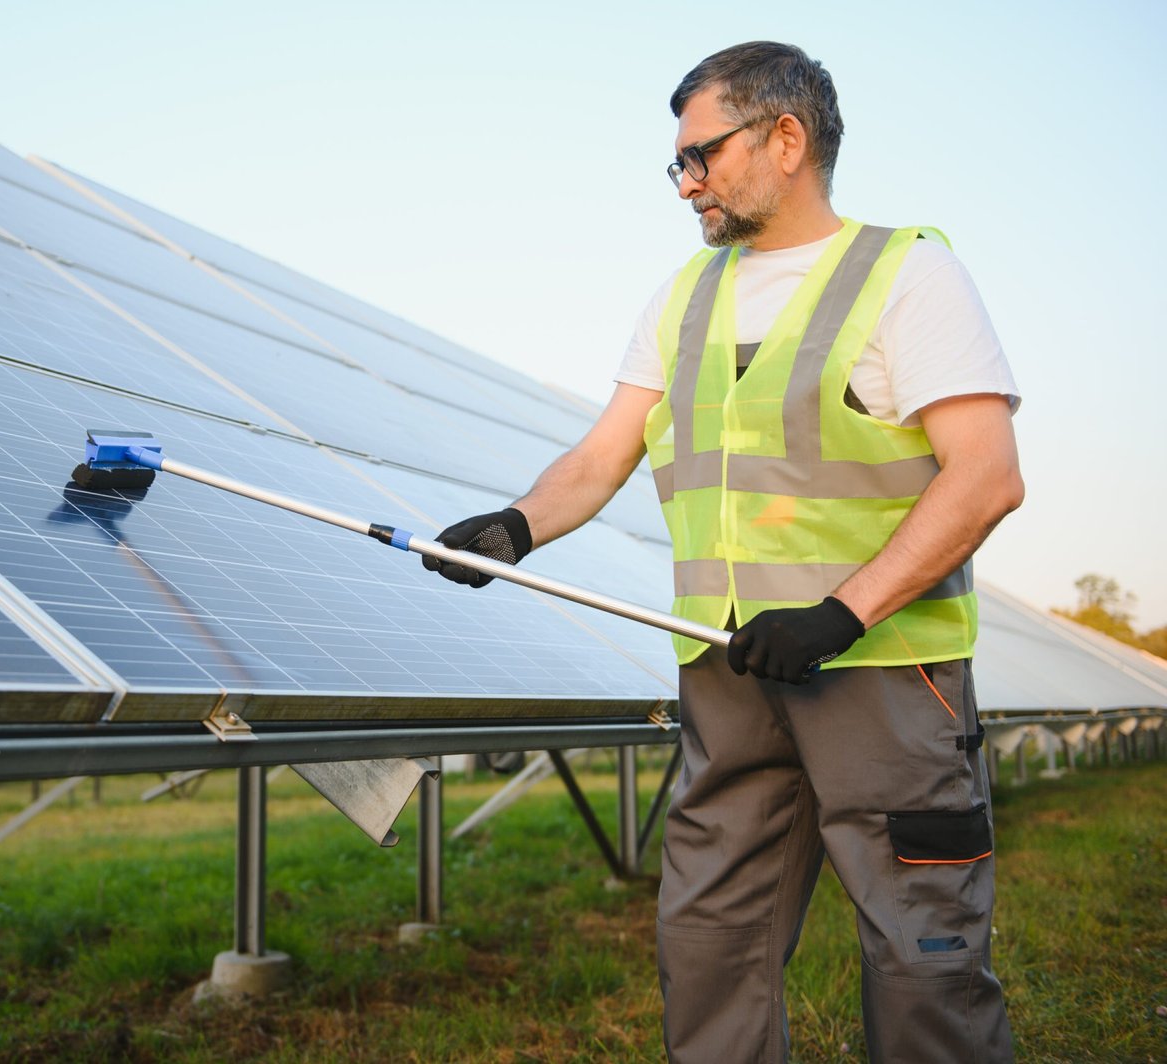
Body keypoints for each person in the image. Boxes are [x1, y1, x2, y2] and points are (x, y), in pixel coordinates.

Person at [425, 41, 1021, 1063]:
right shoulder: (683, 297)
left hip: (879, 672)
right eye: (678, 164)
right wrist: (515, 526)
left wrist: (842, 612)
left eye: (700, 156)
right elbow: (604, 452)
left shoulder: (909, 274)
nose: (686, 184)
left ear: (785, 139)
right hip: (728, 674)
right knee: (706, 943)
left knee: (922, 956)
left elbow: (984, 476)